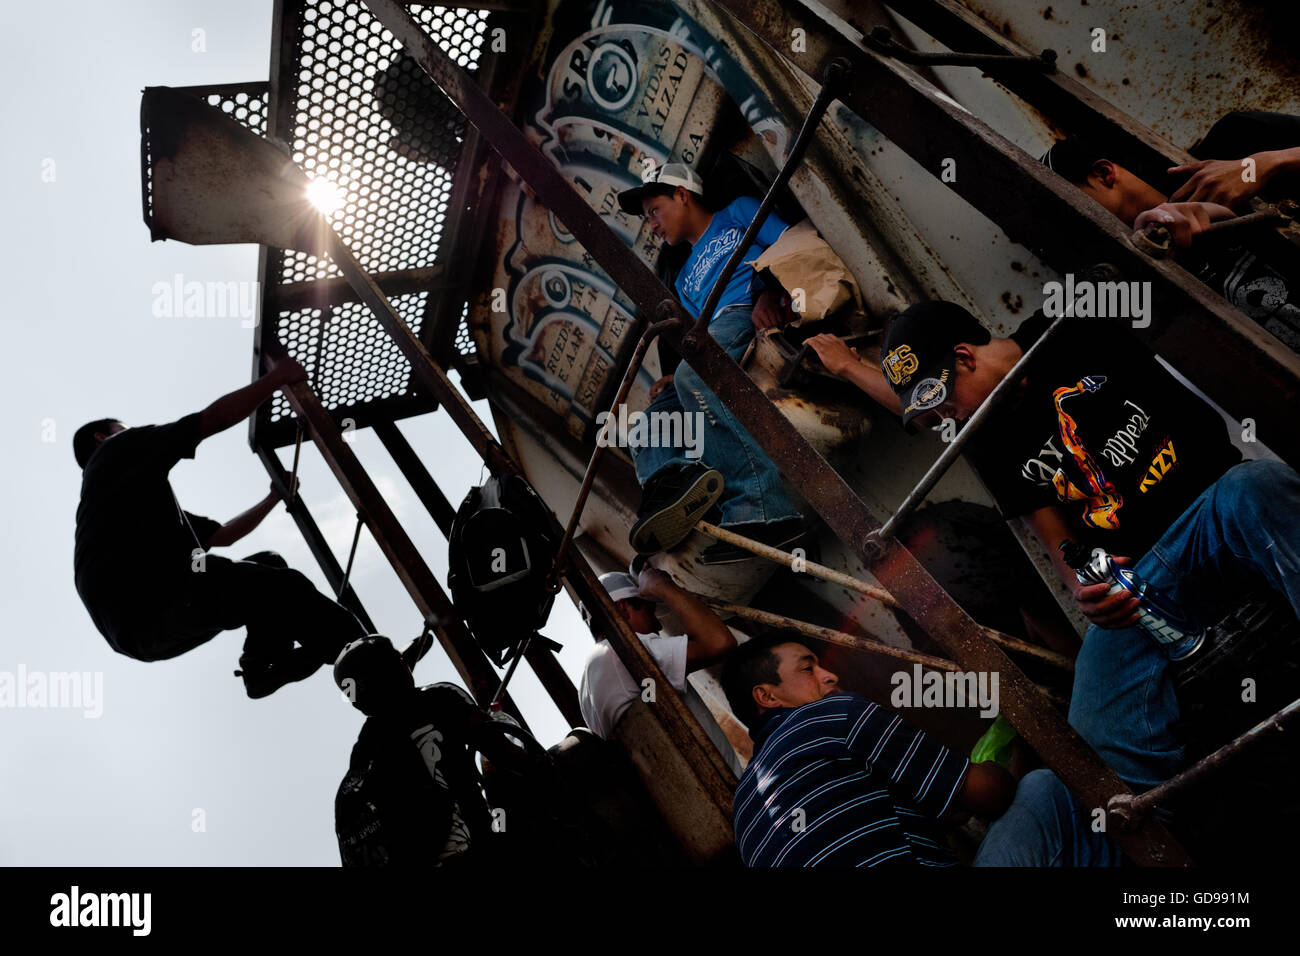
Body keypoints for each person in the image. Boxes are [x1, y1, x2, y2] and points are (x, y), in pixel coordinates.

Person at [810, 299, 1300, 790]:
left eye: (939, 395)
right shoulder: (986, 437)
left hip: (1217, 510)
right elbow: (1059, 544)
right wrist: (1087, 592)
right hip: (1143, 576)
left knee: (1255, 487)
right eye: (929, 408)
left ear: (965, 356)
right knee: (1097, 724)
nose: (942, 414)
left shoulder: (1072, 327)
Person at [72, 354, 368, 698]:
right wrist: (276, 379)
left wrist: (273, 498)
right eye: (122, 429)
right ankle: (366, 657)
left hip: (148, 632)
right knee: (284, 587)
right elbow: (207, 421)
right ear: (101, 437)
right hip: (151, 603)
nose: (132, 432)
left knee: (268, 565)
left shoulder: (132, 508)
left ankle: (262, 666)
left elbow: (223, 536)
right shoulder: (115, 453)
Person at [721, 636, 1120, 867]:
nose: (830, 675)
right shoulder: (830, 715)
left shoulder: (743, 810)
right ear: (766, 696)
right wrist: (1021, 748)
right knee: (1043, 791)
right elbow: (991, 796)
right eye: (808, 669)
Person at [615, 163, 806, 564]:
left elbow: (794, 244)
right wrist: (673, 374)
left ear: (682, 194)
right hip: (711, 339)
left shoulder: (736, 213)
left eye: (653, 210)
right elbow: (697, 338)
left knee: (692, 377)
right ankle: (673, 492)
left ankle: (765, 509)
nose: (651, 224)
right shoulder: (682, 277)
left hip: (744, 311)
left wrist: (769, 292)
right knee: (649, 423)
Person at [1041, 110, 1300, 351]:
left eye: (1070, 208)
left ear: (1104, 174)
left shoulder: (1237, 140)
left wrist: (1268, 163)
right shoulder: (1134, 279)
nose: (1077, 231)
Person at [577, 567, 743, 775]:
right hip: (728, 793)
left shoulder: (586, 686)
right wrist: (664, 587)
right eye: (649, 610)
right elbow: (720, 643)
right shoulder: (623, 651)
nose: (657, 624)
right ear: (623, 608)